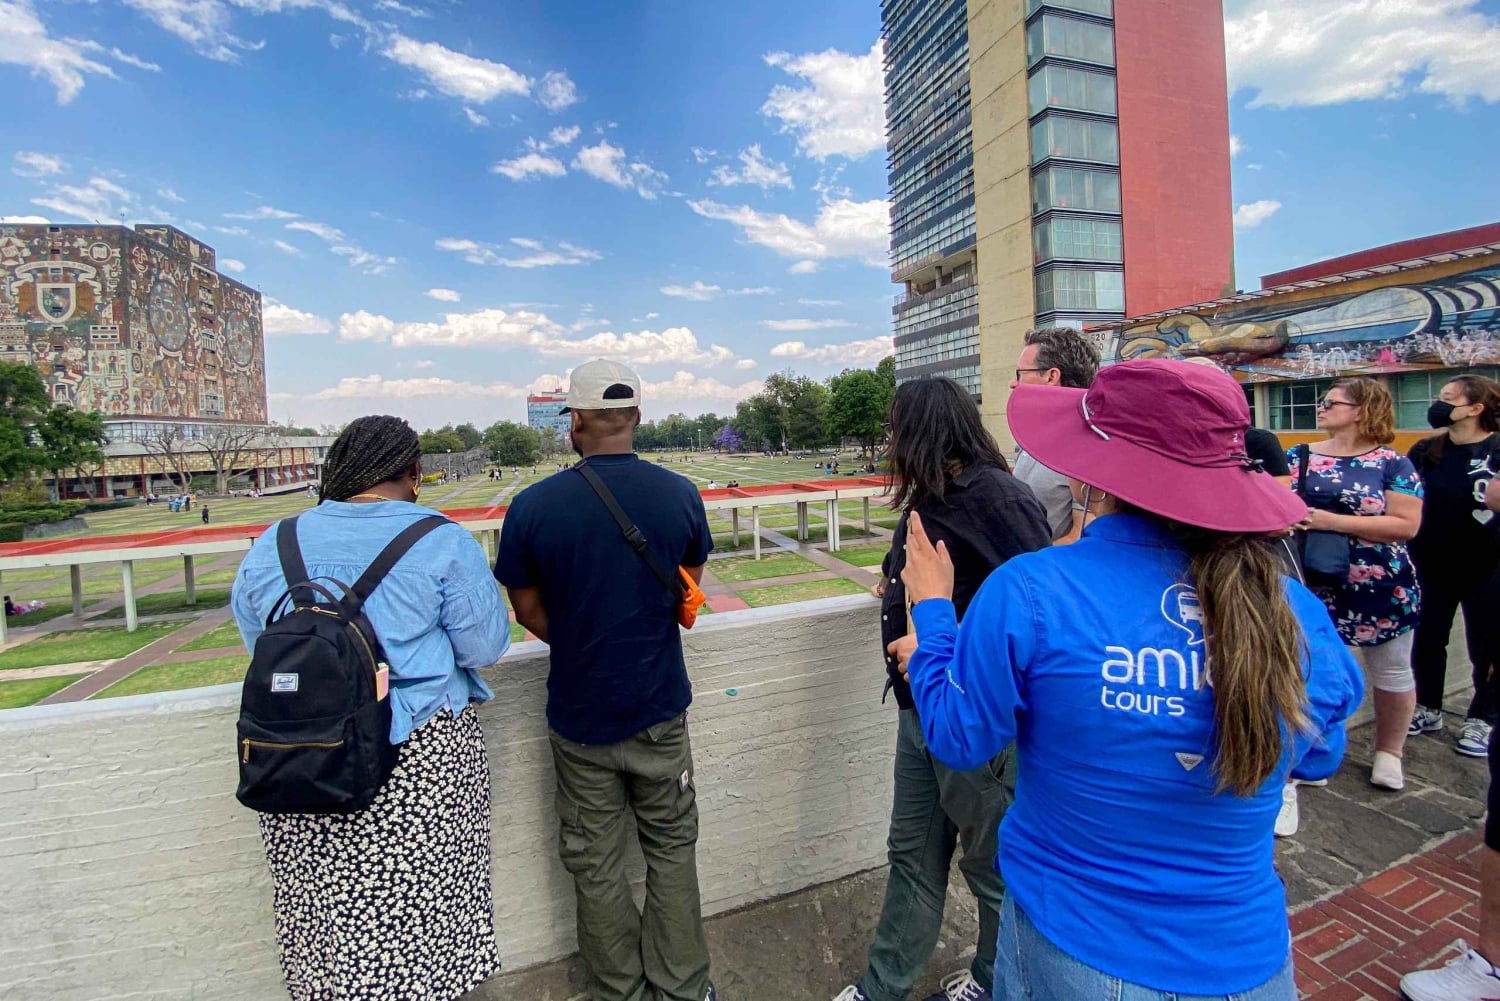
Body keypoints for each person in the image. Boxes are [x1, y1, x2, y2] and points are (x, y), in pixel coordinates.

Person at [889, 359, 1362, 1001]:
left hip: (1074, 943)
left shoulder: (1033, 591)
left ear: (1097, 470)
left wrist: (934, 614)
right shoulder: (1290, 608)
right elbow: (1318, 753)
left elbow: (958, 736)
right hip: (1247, 956)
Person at [231, 415, 511, 1001]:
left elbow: (263, 645)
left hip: (303, 752)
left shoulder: (276, 541)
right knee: (430, 912)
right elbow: (485, 647)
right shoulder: (440, 539)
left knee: (324, 917)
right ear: (413, 473)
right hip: (419, 754)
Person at [495, 359, 717, 1001]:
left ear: (576, 421)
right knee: (671, 849)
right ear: (637, 417)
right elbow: (687, 585)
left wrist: (581, 642)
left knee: (595, 865)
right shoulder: (680, 494)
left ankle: (620, 991)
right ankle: (683, 987)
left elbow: (526, 610)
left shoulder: (532, 506)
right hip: (659, 707)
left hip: (580, 714)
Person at [835, 379, 1051, 1001]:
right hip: (919, 712)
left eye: (896, 428)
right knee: (911, 854)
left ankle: (995, 981)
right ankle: (883, 986)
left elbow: (1037, 609)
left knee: (992, 871)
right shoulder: (930, 498)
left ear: (923, 430)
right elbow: (929, 576)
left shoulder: (998, 498)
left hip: (979, 719)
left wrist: (942, 640)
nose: (890, 441)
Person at [1288, 377, 1423, 791]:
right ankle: (1313, 751)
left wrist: (1331, 521)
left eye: (1332, 402)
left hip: (1379, 584)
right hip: (1313, 581)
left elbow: (1406, 524)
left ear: (1362, 411)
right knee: (1310, 669)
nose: (1321, 407)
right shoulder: (1299, 456)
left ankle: (1390, 751)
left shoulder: (1392, 464)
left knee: (1392, 668)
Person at [1407, 374, 1500, 757]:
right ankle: (1428, 706)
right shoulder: (1426, 450)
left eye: (1448, 398)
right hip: (1431, 562)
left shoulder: (1496, 449)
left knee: (1486, 645)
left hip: (1487, 566)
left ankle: (1483, 717)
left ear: (1475, 408)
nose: (1438, 404)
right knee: (1428, 639)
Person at [1009, 326, 1100, 544]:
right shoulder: (1036, 437)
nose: (1013, 383)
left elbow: (1081, 537)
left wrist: (1021, 561)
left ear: (1051, 376)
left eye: (1020, 374)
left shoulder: (1085, 447)